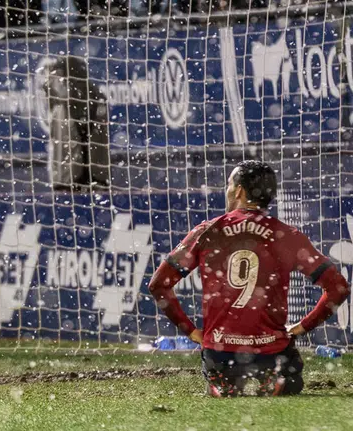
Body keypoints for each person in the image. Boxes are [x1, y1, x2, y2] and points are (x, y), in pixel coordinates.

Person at [148, 160, 350, 397]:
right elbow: (338, 287)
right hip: (270, 353)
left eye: (228, 184)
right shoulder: (287, 235)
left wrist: (192, 332)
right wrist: (300, 328)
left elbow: (158, 284)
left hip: (221, 352)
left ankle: (222, 382)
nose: (227, 190)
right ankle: (276, 380)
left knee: (220, 367)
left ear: (240, 190)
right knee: (290, 377)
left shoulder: (207, 231)